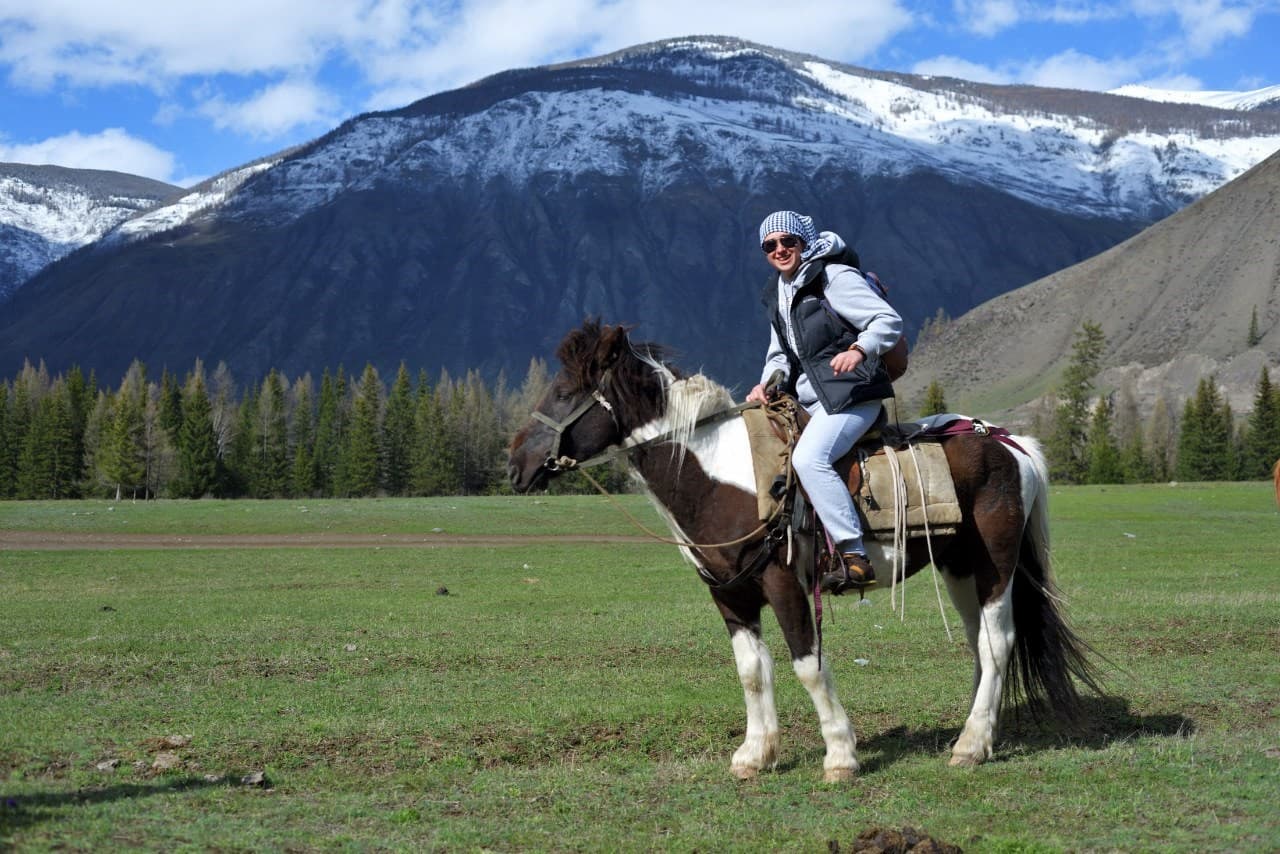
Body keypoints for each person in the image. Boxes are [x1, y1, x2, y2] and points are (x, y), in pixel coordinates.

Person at [746, 211, 903, 594]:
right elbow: (780, 354)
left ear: (804, 242)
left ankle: (854, 556)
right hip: (812, 401)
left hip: (852, 395)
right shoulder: (778, 292)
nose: (780, 250)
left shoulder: (833, 277)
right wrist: (766, 383)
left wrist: (859, 349)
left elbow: (887, 320)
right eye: (770, 245)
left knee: (808, 459)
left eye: (788, 242)